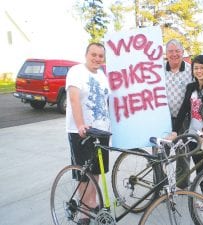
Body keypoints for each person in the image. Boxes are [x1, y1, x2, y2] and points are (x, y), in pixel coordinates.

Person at [167, 54, 203, 197]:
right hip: (193, 133)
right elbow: (183, 110)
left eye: (202, 68)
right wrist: (175, 131)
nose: (199, 71)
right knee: (199, 165)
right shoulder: (191, 87)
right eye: (196, 68)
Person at [65, 43, 110, 225]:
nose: (97, 58)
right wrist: (80, 124)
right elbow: (74, 99)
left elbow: (107, 100)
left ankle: (92, 202)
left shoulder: (101, 74)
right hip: (81, 132)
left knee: (97, 170)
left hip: (102, 130)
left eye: (101, 56)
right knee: (84, 173)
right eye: (94, 54)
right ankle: (85, 211)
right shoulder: (76, 71)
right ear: (86, 54)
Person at [162, 39, 193, 188]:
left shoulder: (191, 70)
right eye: (170, 51)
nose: (174, 54)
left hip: (184, 120)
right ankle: (160, 185)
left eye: (177, 51)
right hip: (162, 119)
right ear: (166, 54)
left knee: (183, 153)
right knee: (161, 153)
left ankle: (183, 186)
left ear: (182, 52)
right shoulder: (158, 70)